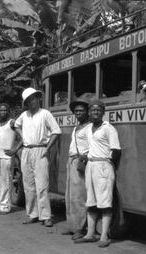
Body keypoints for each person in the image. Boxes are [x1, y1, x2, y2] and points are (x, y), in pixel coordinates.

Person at [11, 87, 62, 227]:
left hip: (40, 150)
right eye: (29, 100)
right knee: (28, 185)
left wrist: (48, 148)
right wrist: (22, 137)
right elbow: (16, 125)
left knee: (42, 185)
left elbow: (56, 131)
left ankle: (46, 216)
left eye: (34, 98)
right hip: (26, 151)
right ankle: (32, 214)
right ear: (26, 103)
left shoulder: (45, 113)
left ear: (38, 99)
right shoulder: (24, 115)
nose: (32, 101)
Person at [74, 100, 121, 248]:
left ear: (103, 112)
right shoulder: (88, 129)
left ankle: (104, 236)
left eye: (98, 110)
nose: (95, 113)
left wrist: (108, 166)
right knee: (91, 201)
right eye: (93, 110)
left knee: (105, 203)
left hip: (103, 165)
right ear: (89, 112)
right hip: (91, 165)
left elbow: (116, 150)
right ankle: (90, 234)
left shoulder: (109, 128)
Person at [62, 99, 91, 240]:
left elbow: (93, 145)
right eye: (76, 111)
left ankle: (80, 228)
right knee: (69, 195)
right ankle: (72, 226)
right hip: (71, 161)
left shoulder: (89, 127)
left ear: (87, 112)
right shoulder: (77, 127)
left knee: (79, 196)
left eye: (81, 111)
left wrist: (84, 158)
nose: (78, 113)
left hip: (80, 162)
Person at [0, 103, 17, 215]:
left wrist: (15, 149)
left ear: (9, 111)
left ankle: (6, 206)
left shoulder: (12, 123)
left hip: (7, 156)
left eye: (5, 110)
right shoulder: (0, 125)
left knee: (6, 181)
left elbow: (23, 136)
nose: (3, 112)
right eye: (1, 110)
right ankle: (0, 203)